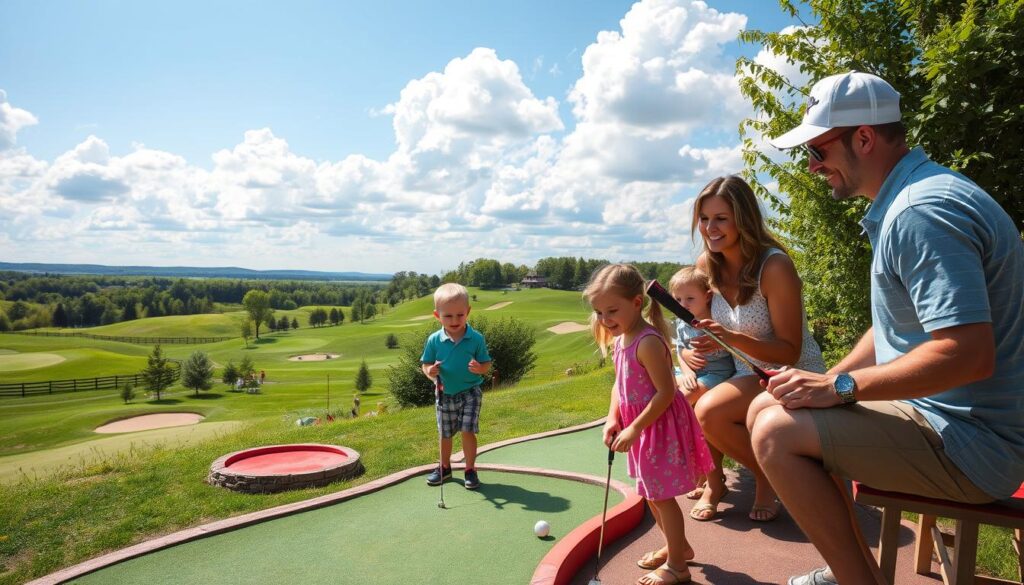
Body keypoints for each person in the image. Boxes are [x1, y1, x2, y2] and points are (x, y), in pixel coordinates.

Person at [749, 71, 1024, 585]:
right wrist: (825, 384)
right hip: (948, 420)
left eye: (817, 149)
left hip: (976, 444)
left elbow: (968, 354)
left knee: (775, 435)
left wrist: (840, 388)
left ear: (864, 138)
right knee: (773, 404)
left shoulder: (921, 211)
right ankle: (851, 568)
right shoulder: (910, 199)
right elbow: (893, 328)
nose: (812, 166)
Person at [687, 175, 826, 523]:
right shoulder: (708, 266)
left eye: (721, 218)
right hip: (745, 372)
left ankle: (772, 475)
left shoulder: (774, 266)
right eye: (704, 219)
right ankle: (745, 477)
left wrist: (730, 338)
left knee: (710, 412)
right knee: (696, 403)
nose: (709, 228)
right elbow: (702, 326)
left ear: (743, 219)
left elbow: (789, 350)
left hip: (791, 371)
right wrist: (693, 352)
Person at [585, 263, 715, 585]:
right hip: (641, 428)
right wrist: (613, 418)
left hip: (657, 428)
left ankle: (677, 567)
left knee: (661, 496)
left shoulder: (647, 342)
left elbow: (666, 393)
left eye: (611, 310)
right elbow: (619, 385)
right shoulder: (620, 340)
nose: (605, 319)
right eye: (599, 312)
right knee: (651, 494)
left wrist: (635, 428)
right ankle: (678, 547)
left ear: (637, 303)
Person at [668, 266, 735, 505]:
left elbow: (732, 347)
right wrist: (685, 368)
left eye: (689, 298)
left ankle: (701, 473)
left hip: (716, 373)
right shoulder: (681, 320)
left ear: (707, 295)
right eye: (677, 299)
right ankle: (703, 475)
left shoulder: (717, 319)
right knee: (659, 386)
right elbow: (679, 349)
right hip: (692, 373)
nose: (683, 304)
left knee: (680, 403)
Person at [421, 283, 492, 490]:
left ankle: (470, 469)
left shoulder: (476, 338)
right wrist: (430, 372)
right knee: (445, 433)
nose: (454, 321)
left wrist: (480, 369)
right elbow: (425, 364)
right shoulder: (434, 340)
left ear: (468, 311)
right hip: (445, 393)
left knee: (467, 431)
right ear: (437, 315)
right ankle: (445, 467)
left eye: (460, 315)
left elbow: (486, 364)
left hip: (471, 392)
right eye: (448, 316)